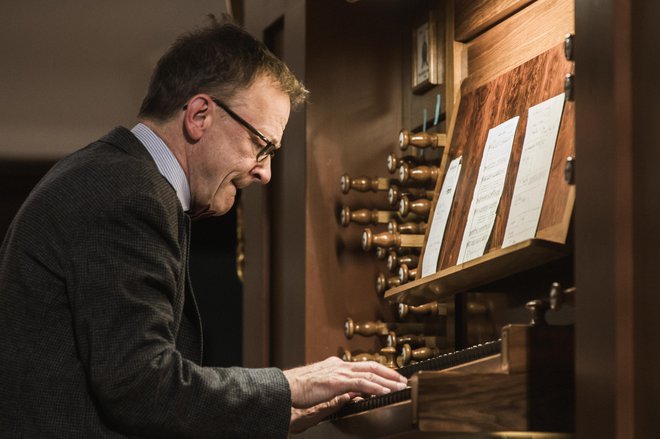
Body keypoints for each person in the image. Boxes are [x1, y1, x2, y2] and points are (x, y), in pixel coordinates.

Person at [0, 18, 407, 438]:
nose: (265, 172)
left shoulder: (112, 176)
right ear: (199, 115)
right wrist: (292, 385)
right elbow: (141, 386)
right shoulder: (130, 194)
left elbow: (131, 388)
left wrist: (277, 416)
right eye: (261, 145)